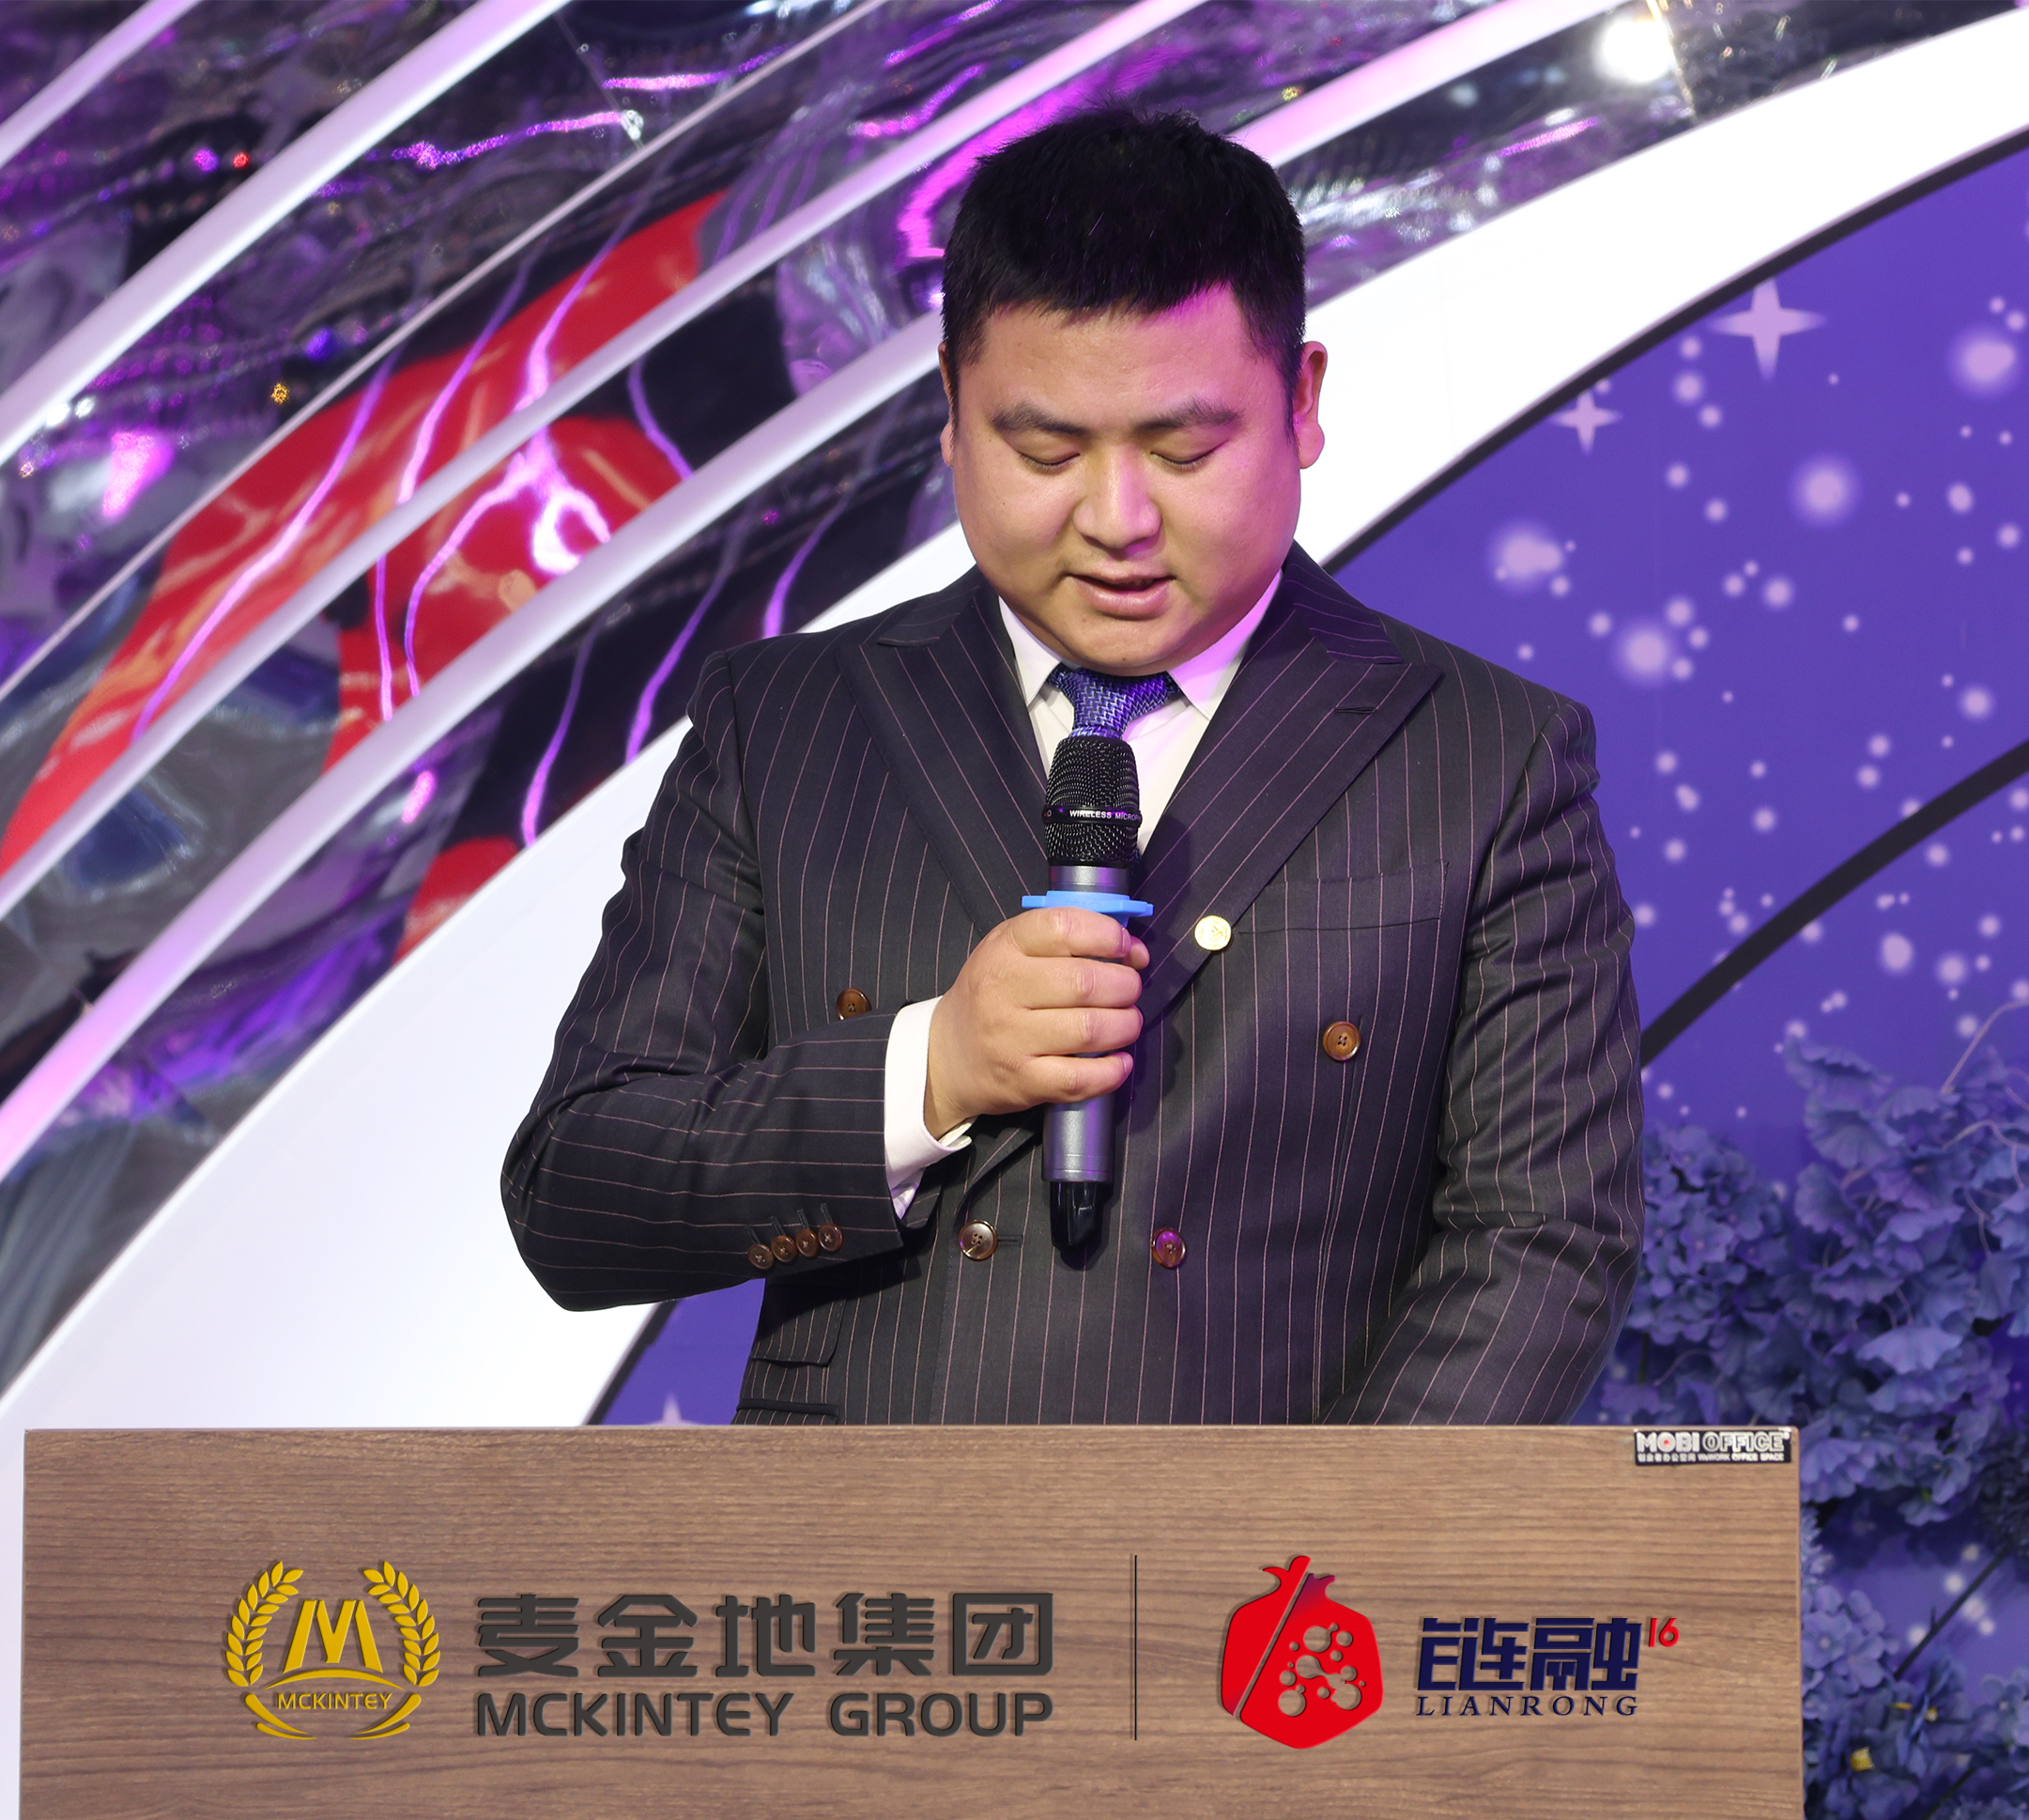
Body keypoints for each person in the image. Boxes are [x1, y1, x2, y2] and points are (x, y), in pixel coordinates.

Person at [503, 107, 1641, 1424]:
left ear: (1303, 402)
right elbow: (579, 1196)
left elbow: (1542, 1240)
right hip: (862, 1544)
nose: (1117, 520)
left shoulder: (1486, 756)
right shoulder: (786, 724)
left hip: (1268, 1540)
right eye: (1046, 451)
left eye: (1184, 450)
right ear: (950, 410)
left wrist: (1326, 1542)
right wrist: (930, 1069)